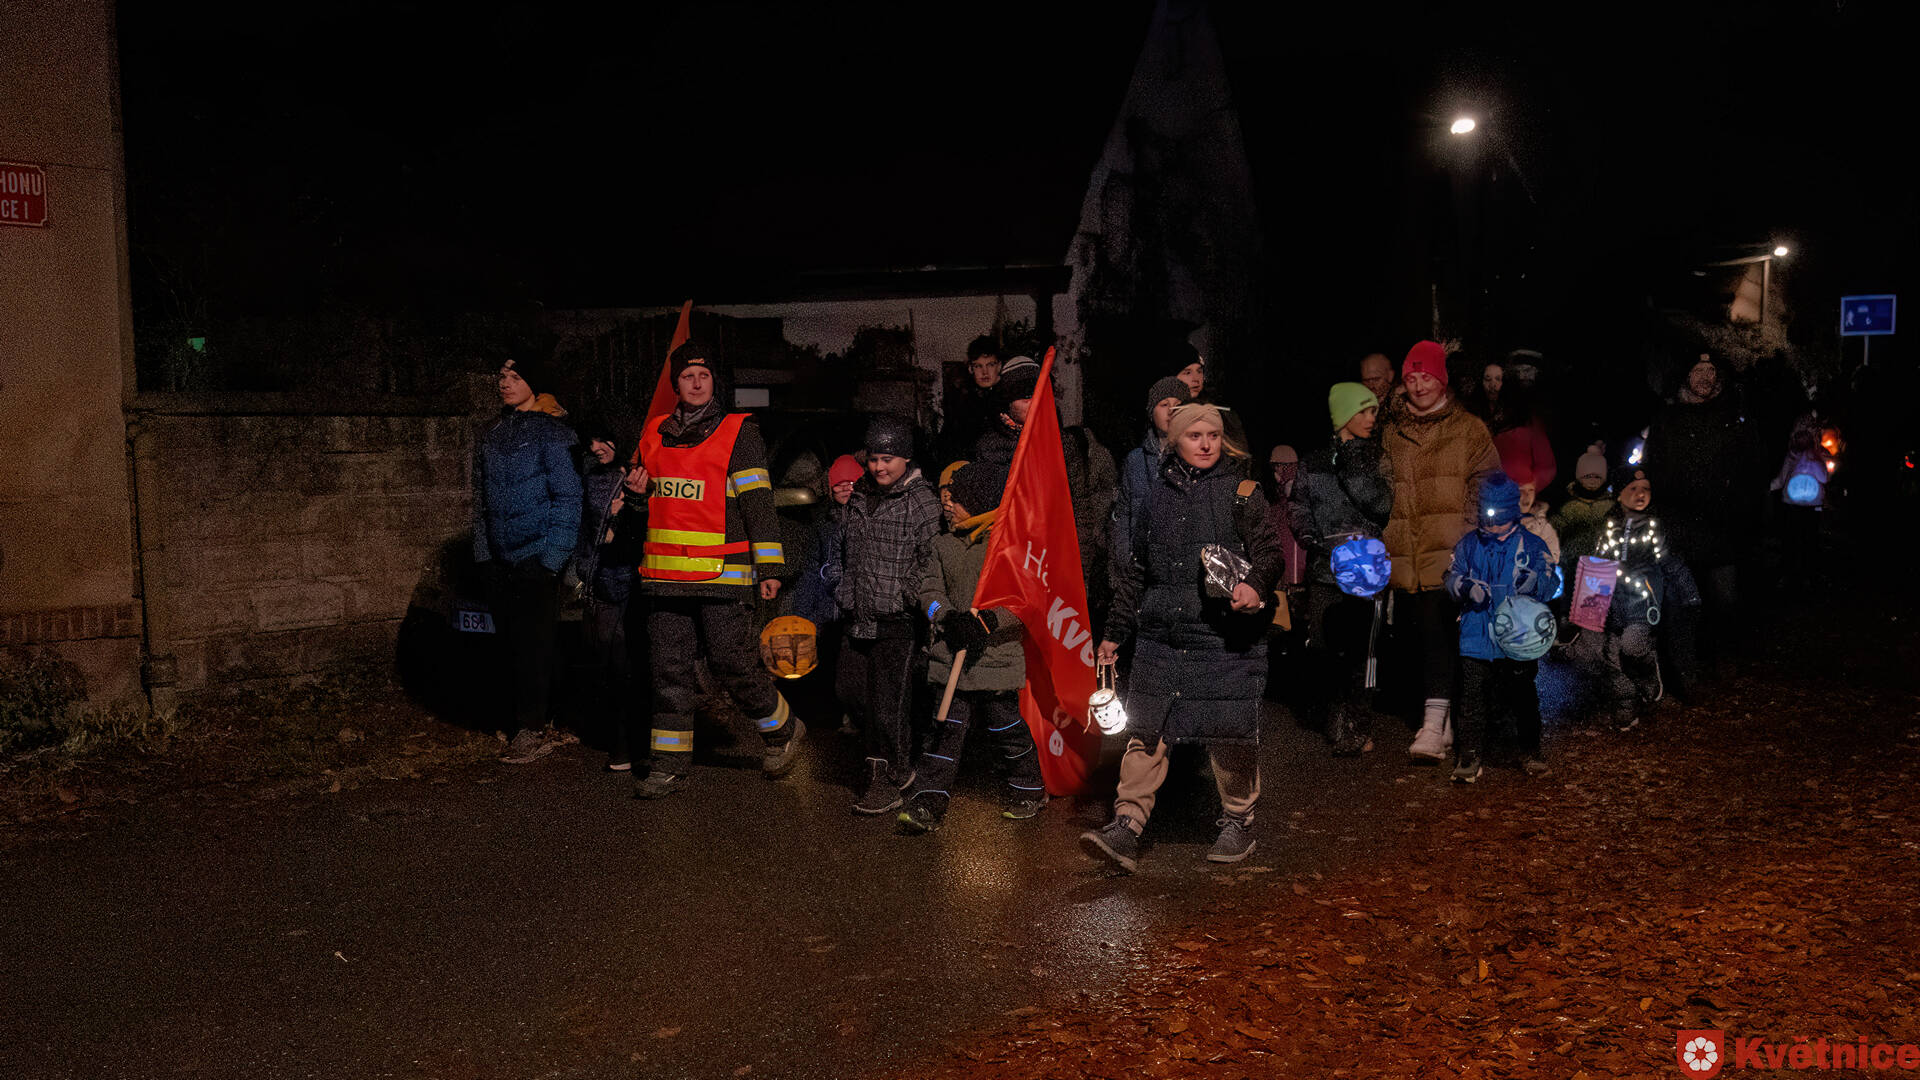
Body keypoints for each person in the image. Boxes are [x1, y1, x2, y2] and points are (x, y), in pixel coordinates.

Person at [1082, 403, 1282, 873]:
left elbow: (1270, 552)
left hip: (1223, 637)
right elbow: (1136, 572)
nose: (1206, 444)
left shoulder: (1243, 492)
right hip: (1162, 636)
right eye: (1195, 435)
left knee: (1228, 732)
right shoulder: (1155, 496)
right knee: (1146, 733)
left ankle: (1239, 819)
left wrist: (1255, 586)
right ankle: (1127, 826)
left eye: (1213, 435)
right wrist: (1114, 633)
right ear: (1175, 440)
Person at [623, 340, 804, 798]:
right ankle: (667, 763)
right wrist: (637, 497)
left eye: (704, 375)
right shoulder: (653, 433)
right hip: (664, 578)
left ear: (714, 382)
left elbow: (758, 502)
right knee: (668, 671)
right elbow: (645, 506)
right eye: (688, 376)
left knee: (731, 662)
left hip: (725, 575)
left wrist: (770, 567)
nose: (697, 383)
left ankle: (782, 730)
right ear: (676, 384)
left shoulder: (738, 432)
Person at [898, 461, 1046, 832]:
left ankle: (1029, 788)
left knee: (1006, 730)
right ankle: (928, 800)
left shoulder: (1009, 547)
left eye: (958, 499)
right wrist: (945, 616)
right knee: (943, 732)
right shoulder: (942, 545)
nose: (948, 504)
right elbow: (928, 591)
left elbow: (1026, 600)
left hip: (996, 660)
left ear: (980, 503)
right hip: (951, 658)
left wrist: (988, 621)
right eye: (947, 497)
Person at [1380, 340, 1501, 763]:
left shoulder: (1468, 429)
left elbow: (1488, 482)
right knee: (1417, 637)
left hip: (1449, 550)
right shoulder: (1392, 432)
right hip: (1404, 552)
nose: (1418, 386)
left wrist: (1469, 536)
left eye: (1427, 376)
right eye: (1411, 378)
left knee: (1438, 632)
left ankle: (1431, 727)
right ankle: (1443, 718)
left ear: (1442, 380)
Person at [473, 356, 583, 764]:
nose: (505, 383)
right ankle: (525, 719)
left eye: (515, 377)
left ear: (534, 384)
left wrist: (550, 559)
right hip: (501, 560)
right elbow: (481, 500)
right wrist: (485, 555)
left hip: (537, 555)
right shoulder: (492, 433)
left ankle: (534, 728)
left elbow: (568, 497)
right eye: (502, 376)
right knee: (511, 644)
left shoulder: (554, 434)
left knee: (536, 645)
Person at [838, 414, 943, 815]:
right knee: (850, 693)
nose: (879, 467)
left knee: (888, 706)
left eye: (888, 459)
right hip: (858, 614)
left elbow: (931, 558)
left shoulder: (921, 501)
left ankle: (887, 778)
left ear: (906, 458)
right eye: (873, 459)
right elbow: (848, 548)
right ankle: (896, 769)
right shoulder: (860, 495)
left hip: (896, 621)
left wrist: (905, 595)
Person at [1642, 352, 1762, 678]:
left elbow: (1752, 469)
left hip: (1721, 527)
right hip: (1678, 525)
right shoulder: (1667, 419)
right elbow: (1652, 465)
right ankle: (1684, 666)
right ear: (1686, 375)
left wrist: (1741, 507)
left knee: (1724, 598)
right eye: (1698, 370)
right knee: (1681, 600)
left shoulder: (1733, 417)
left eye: (1711, 371)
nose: (1705, 378)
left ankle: (1721, 657)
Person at [1289, 383, 1393, 756]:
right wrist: (1312, 539)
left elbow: (1382, 505)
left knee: (1364, 652)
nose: (1371, 419)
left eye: (1374, 411)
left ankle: (1358, 724)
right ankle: (1335, 712)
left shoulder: (1377, 459)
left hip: (1367, 570)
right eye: (1364, 411)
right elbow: (1298, 506)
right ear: (1343, 414)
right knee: (1323, 646)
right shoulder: (1314, 462)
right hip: (1324, 569)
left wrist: (1353, 462)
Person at [979, 355, 1118, 624]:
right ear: (1007, 403)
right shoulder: (991, 449)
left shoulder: (1063, 446)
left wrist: (1080, 574)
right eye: (1025, 397)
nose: (1035, 402)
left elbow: (1080, 512)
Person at [1442, 473, 1558, 780]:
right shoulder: (1469, 544)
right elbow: (1450, 576)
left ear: (1512, 514)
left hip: (1518, 637)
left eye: (1499, 519)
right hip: (1476, 635)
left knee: (1522, 695)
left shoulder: (1531, 545)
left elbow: (1551, 580)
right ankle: (1469, 756)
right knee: (1472, 698)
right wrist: (1466, 587)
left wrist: (1535, 582)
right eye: (1487, 519)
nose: (1492, 526)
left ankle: (1531, 750)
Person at [1566, 466, 1700, 731]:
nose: (1641, 494)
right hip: (1612, 600)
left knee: (1633, 644)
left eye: (1646, 489)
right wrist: (1586, 606)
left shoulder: (1652, 527)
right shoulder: (1608, 526)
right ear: (1619, 494)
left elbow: (1669, 561)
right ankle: (1626, 708)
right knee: (1611, 653)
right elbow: (1597, 562)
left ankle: (1648, 675)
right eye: (1633, 488)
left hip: (1643, 598)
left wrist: (1689, 592)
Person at [573, 414, 641, 770]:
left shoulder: (641, 476)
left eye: (602, 439)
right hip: (603, 583)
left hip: (636, 583)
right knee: (611, 665)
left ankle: (633, 744)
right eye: (590, 441)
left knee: (631, 664)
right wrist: (584, 571)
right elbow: (586, 532)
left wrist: (627, 515)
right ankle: (619, 743)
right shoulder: (592, 479)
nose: (595, 448)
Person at [792, 454, 862, 733]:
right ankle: (825, 720)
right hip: (826, 610)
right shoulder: (823, 526)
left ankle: (854, 717)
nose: (844, 488)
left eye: (851, 483)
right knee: (822, 668)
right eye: (838, 484)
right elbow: (811, 570)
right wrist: (801, 613)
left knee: (850, 672)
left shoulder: (868, 522)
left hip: (853, 612)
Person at [1112, 377, 1191, 603]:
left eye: (1178, 405)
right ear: (1151, 412)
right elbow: (1123, 513)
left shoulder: (1196, 459)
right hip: (1139, 574)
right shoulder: (1135, 460)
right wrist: (1124, 557)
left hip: (1180, 575)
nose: (1171, 411)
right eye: (1164, 404)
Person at [939, 336, 1003, 462]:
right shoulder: (961, 401)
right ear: (970, 368)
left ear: (999, 366)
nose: (985, 372)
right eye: (978, 366)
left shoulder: (1008, 397)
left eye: (990, 365)